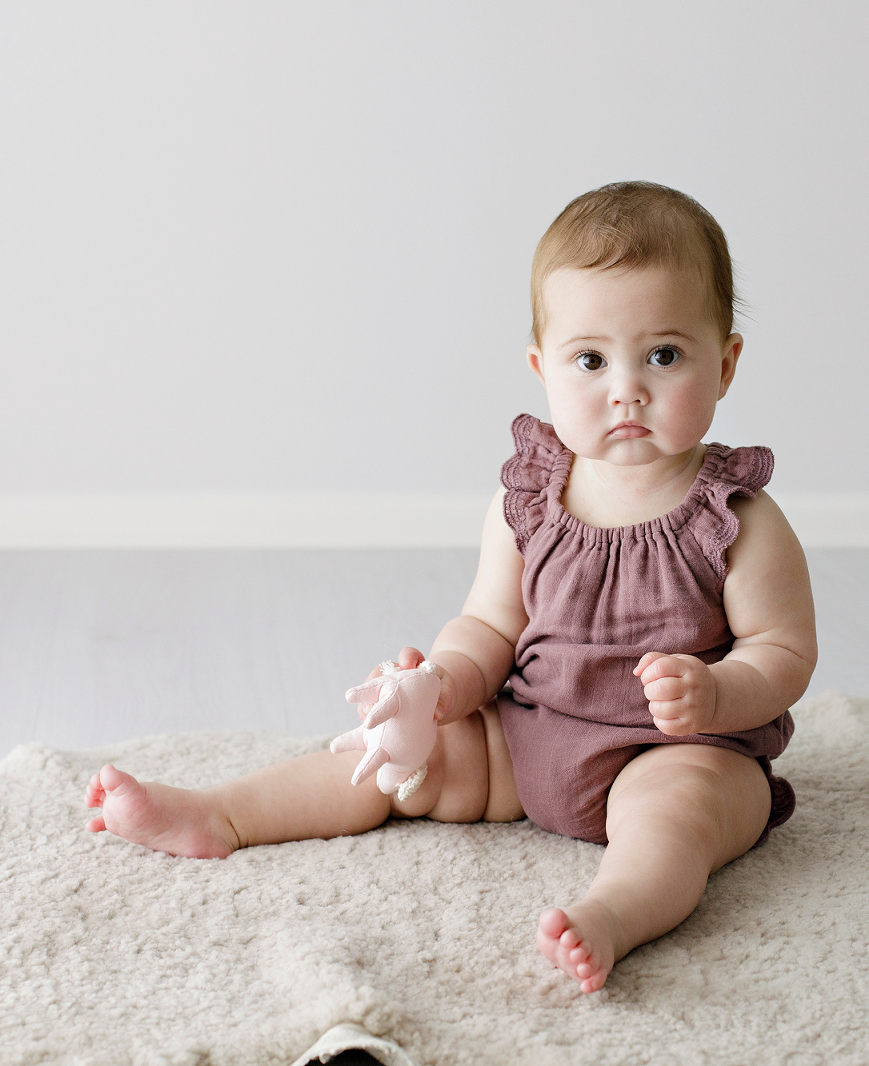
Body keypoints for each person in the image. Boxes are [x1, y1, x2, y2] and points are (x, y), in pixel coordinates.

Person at [84, 181, 818, 994]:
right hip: (531, 735)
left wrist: (715, 696)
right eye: (590, 359)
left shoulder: (738, 519)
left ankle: (612, 913)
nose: (626, 388)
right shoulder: (528, 502)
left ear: (726, 363)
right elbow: (488, 625)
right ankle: (220, 814)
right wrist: (436, 687)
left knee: (672, 821)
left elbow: (782, 652)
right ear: (542, 369)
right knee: (393, 762)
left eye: (665, 355)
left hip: (681, 751)